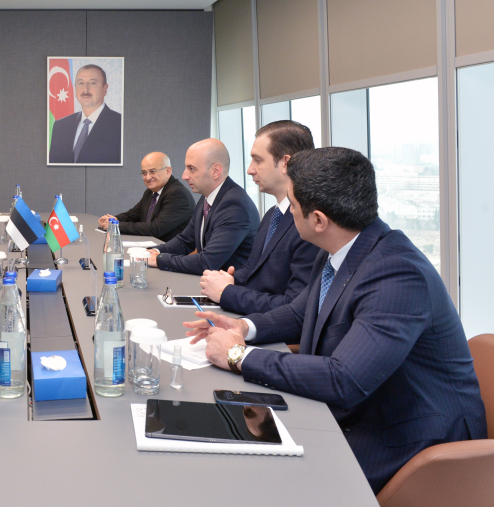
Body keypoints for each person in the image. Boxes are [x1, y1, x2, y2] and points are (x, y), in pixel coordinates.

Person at [184, 147, 486, 494]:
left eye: (292, 205)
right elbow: (301, 313)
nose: (288, 213)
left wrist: (238, 355)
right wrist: (244, 328)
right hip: (364, 409)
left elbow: (345, 379)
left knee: (262, 483)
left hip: (408, 437)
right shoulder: (345, 246)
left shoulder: (397, 274)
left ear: (318, 220)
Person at [199, 121, 320, 314]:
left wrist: (226, 292)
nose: (250, 169)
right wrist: (230, 280)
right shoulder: (273, 214)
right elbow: (253, 270)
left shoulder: (310, 224)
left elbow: (294, 306)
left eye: (258, 160)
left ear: (286, 163)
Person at [148, 139, 258, 275]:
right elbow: (185, 241)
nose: (184, 176)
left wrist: (159, 259)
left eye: (191, 169)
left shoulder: (235, 205)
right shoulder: (208, 197)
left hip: (232, 285)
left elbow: (207, 262)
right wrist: (154, 251)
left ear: (215, 171)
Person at [99, 151, 195, 241]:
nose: (148, 177)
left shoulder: (178, 194)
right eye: (144, 173)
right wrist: (112, 220)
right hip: (151, 245)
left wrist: (115, 226)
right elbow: (133, 214)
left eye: (152, 171)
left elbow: (156, 229)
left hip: (170, 249)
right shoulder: (150, 192)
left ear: (168, 171)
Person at [48, 63, 122, 164]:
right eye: (81, 83)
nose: (85, 89)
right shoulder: (61, 126)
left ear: (105, 89)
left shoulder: (120, 124)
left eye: (92, 83)